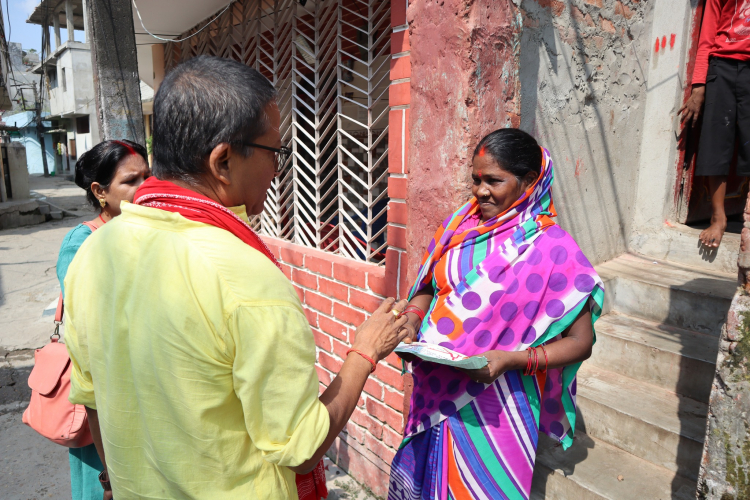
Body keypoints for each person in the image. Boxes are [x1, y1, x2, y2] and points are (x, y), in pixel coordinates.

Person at [62, 55, 410, 499]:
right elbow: (300, 447)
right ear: (223, 160)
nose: (279, 170)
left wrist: (113, 481)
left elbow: (92, 397)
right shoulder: (244, 275)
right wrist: (366, 351)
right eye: (276, 152)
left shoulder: (94, 254)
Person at [387, 129, 605, 499]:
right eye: (476, 179)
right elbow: (429, 286)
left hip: (502, 401)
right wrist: (411, 317)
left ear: (530, 181)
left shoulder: (553, 248)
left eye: (494, 181)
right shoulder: (459, 227)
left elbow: (580, 342)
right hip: (435, 387)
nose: (480, 191)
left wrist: (511, 359)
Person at [56, 139, 150, 500]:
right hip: (106, 401)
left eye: (148, 175)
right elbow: (93, 332)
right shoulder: (81, 243)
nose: (145, 187)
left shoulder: (147, 232)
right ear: (99, 191)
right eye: (131, 180)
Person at [679, 0, 750, 248]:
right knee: (715, 142)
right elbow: (707, 38)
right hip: (722, 67)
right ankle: (718, 217)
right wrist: (699, 86)